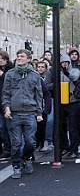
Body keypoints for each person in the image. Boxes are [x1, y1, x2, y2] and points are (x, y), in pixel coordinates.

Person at [2, 49, 43, 179]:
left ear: (29, 59)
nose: (19, 58)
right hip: (14, 113)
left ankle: (26, 158)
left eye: (22, 56)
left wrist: (39, 112)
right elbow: (6, 93)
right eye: (18, 56)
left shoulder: (34, 75)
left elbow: (38, 95)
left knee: (31, 142)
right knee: (16, 143)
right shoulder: (10, 74)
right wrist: (6, 108)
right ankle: (16, 166)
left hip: (30, 113)